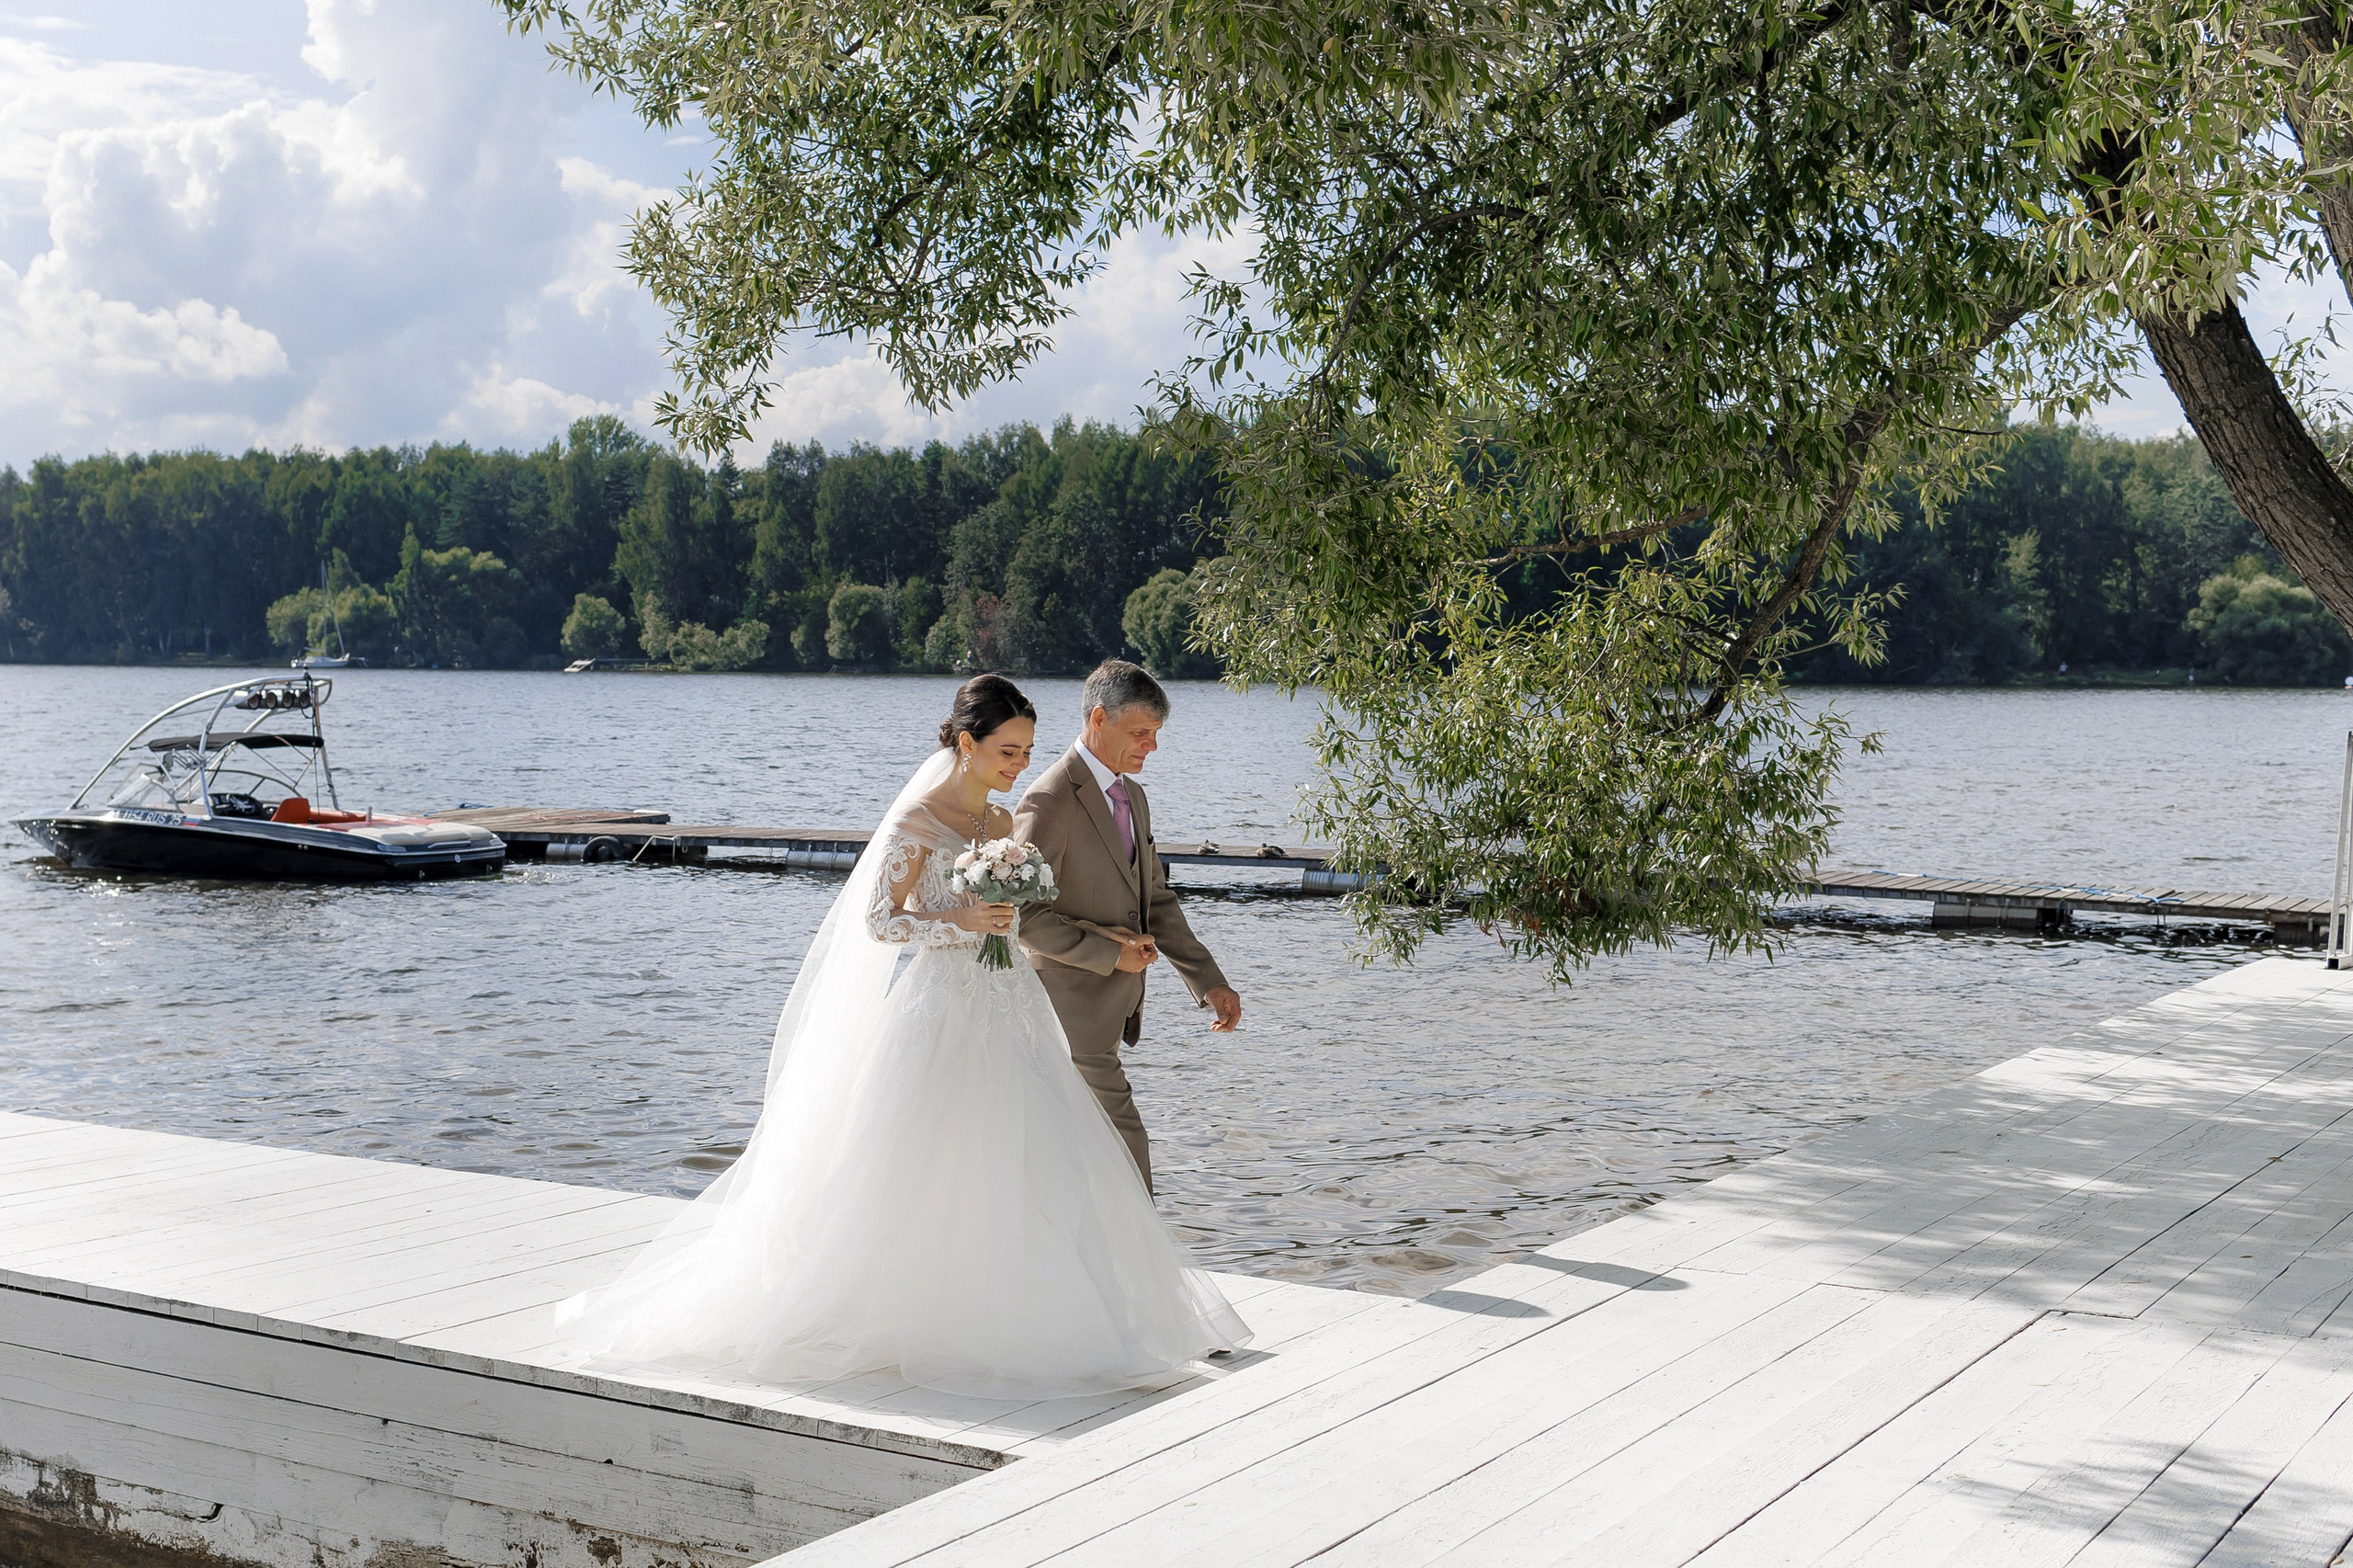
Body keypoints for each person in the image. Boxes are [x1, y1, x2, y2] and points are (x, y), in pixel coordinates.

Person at [551, 673, 1247, 1398]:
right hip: (942, 1004)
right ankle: (908, 1304)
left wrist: (1042, 925)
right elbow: (882, 922)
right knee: (921, 1155)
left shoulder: (1002, 823)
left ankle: (1033, 1302)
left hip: (1010, 1001)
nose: (1019, 765)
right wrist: (960, 921)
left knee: (1033, 1153)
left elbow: (1032, 916)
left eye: (1026, 751)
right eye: (1009, 751)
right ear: (968, 743)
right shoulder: (919, 819)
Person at [1014, 660, 1242, 1194]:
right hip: (1067, 1015)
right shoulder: (1049, 800)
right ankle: (1145, 1250)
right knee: (1127, 1152)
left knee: (1085, 1161)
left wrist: (1208, 980)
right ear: (1099, 718)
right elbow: (1023, 917)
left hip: (1111, 1015)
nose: (1152, 747)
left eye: (1156, 733)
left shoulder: (1132, 796)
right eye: (1141, 732)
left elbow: (1154, 899)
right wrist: (1108, 953)